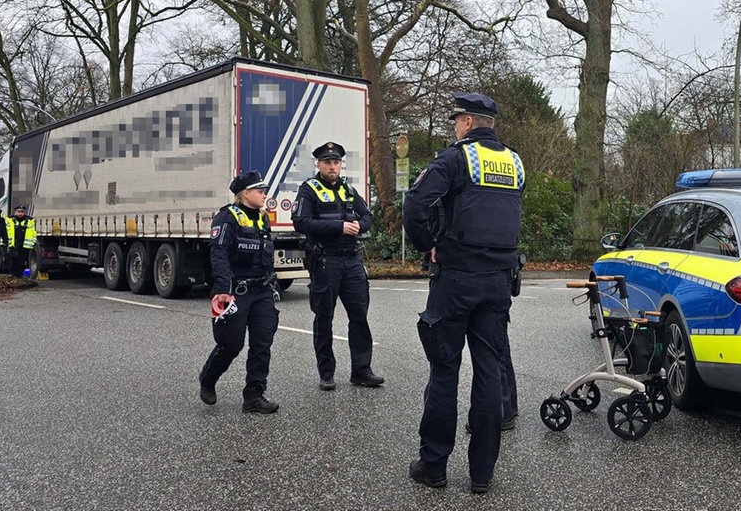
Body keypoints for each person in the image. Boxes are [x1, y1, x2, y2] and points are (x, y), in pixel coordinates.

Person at [403, 93, 525, 495]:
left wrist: (428, 243)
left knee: (444, 372)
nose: (455, 126)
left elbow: (416, 206)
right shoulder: (514, 162)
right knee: (489, 374)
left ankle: (434, 466)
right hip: (498, 282)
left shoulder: (456, 159)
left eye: (457, 120)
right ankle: (482, 475)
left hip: (455, 279)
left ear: (469, 123)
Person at [292, 141, 383, 391]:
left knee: (359, 317)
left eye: (336, 162)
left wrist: (359, 226)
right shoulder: (308, 190)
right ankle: (326, 373)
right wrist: (339, 226)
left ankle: (362, 370)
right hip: (326, 261)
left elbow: (367, 217)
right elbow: (301, 222)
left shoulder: (349, 189)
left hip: (352, 260)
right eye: (327, 162)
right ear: (318, 165)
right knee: (324, 318)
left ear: (341, 165)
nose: (332, 166)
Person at [199, 171, 281, 414]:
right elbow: (219, 253)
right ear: (245, 194)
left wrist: (273, 284)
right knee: (231, 344)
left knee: (262, 342)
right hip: (236, 291)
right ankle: (208, 378)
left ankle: (254, 395)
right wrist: (223, 288)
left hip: (262, 289)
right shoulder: (227, 218)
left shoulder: (263, 218)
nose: (264, 194)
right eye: (260, 190)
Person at [5, 204, 37, 277]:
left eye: (22, 212)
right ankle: (12, 274)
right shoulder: (10, 220)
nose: (20, 213)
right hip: (13, 244)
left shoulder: (29, 221)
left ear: (24, 213)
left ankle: (19, 275)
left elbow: (33, 232)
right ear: (15, 212)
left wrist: (33, 242)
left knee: (21, 261)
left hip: (24, 245)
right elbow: (5, 231)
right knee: (13, 259)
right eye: (18, 212)